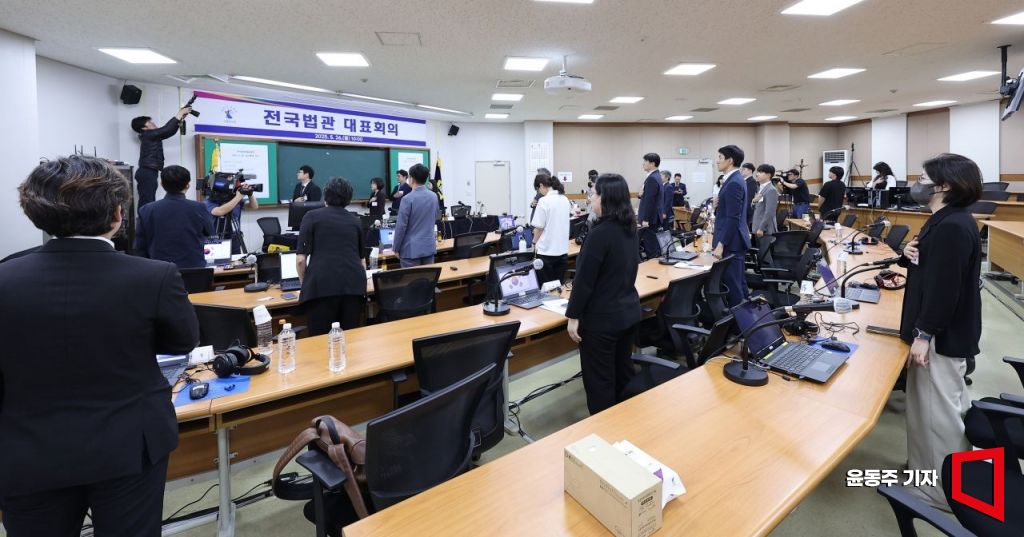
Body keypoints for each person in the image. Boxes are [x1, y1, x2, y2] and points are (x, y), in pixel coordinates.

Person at [0, 156, 198, 536]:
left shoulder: (5, 277)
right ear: (118, 214)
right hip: (130, 444)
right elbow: (182, 341)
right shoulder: (154, 276)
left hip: (28, 448)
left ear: (37, 214)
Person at [897, 153, 982, 510]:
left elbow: (945, 289)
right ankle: (926, 475)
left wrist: (924, 334)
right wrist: (908, 254)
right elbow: (932, 268)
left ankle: (938, 493)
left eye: (923, 177)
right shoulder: (944, 219)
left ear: (944, 185)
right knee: (936, 411)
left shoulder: (952, 226)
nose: (917, 183)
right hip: (938, 332)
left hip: (940, 337)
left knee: (936, 417)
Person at [566, 173, 641, 415]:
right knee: (622, 373)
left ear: (606, 198)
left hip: (602, 321)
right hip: (627, 313)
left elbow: (584, 281)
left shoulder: (600, 233)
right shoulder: (630, 227)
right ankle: (624, 421)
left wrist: (573, 316)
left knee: (600, 382)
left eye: (594, 194)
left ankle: (603, 430)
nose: (590, 198)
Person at [297, 178, 367, 335]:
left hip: (321, 287)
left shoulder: (311, 216)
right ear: (349, 198)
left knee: (321, 341)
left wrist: (305, 283)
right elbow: (362, 261)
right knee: (350, 338)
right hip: (353, 287)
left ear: (326, 195)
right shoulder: (355, 221)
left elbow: (301, 260)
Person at [134, 165, 214, 269]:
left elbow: (139, 247)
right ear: (187, 185)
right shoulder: (199, 208)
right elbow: (211, 234)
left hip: (159, 271)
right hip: (195, 270)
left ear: (162, 184)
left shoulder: (146, 210)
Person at [131, 105, 194, 209]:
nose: (153, 123)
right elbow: (166, 130)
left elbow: (169, 131)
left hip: (148, 171)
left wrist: (180, 117)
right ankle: (144, 219)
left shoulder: (150, 135)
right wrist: (180, 113)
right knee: (147, 201)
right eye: (149, 122)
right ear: (144, 128)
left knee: (147, 200)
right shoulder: (148, 134)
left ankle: (145, 218)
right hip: (147, 172)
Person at [711, 145, 752, 307]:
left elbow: (733, 218)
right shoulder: (733, 179)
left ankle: (738, 320)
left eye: (720, 158)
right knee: (738, 284)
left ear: (730, 160)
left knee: (733, 287)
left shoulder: (734, 182)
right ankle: (746, 316)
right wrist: (717, 206)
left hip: (731, 242)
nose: (717, 161)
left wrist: (721, 244)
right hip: (733, 239)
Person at [392, 163, 437, 267]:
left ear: (411, 179)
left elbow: (401, 227)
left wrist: (396, 248)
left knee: (411, 278)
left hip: (410, 250)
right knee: (428, 277)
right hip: (429, 247)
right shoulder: (434, 196)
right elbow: (434, 217)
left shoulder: (407, 199)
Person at [531, 174, 571, 284]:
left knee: (546, 289)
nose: (539, 193)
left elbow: (538, 228)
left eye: (538, 190)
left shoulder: (544, 201)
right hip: (562, 252)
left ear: (541, 185)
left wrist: (533, 243)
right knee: (558, 287)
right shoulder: (565, 199)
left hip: (546, 253)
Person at [205, 178, 259, 255]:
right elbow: (219, 211)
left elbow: (254, 206)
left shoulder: (235, 200)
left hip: (234, 237)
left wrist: (250, 194)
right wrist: (238, 197)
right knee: (218, 262)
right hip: (216, 238)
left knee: (236, 261)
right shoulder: (210, 201)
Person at [750, 164, 779, 238]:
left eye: (760, 172)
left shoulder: (771, 190)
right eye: (757, 172)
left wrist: (761, 228)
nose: (757, 174)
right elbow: (757, 207)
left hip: (765, 230)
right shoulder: (761, 188)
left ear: (768, 175)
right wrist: (754, 201)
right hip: (757, 226)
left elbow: (770, 212)